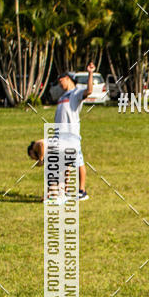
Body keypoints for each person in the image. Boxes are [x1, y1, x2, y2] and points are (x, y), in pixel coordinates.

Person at [53, 64, 94, 200]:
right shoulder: (61, 98)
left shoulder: (76, 93)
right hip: (60, 136)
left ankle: (82, 191)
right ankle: (64, 190)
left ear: (69, 79)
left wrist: (90, 73)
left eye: (62, 80)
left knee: (78, 162)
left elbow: (89, 90)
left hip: (72, 136)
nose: (60, 83)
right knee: (64, 164)